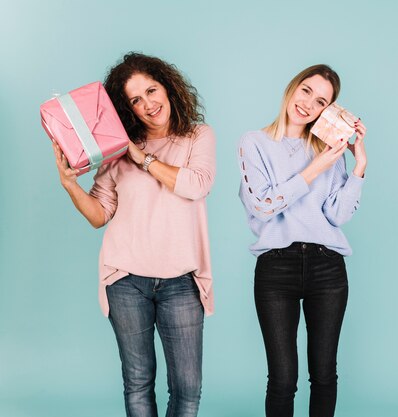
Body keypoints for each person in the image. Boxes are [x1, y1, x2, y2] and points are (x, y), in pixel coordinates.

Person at [52, 52, 216, 417]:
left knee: (187, 389)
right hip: (126, 279)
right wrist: (70, 186)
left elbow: (195, 185)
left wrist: (139, 156)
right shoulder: (115, 151)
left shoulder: (197, 137)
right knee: (139, 381)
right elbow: (100, 214)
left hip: (182, 281)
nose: (148, 104)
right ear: (127, 110)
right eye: (135, 100)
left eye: (152, 90)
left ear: (169, 88)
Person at [237, 64, 367, 417]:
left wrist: (358, 166)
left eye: (321, 101)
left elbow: (337, 215)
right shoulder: (255, 143)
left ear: (328, 111)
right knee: (282, 378)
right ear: (293, 88)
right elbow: (263, 206)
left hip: (328, 267)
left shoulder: (329, 149)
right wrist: (316, 168)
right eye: (306, 90)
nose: (309, 103)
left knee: (324, 374)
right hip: (276, 269)